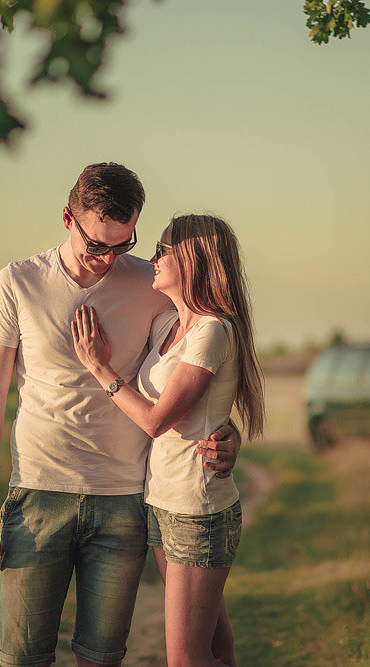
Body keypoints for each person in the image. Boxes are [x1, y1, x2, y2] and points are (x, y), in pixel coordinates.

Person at [0, 163, 239, 667]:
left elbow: (191, 365)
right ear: (68, 218)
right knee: (23, 659)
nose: (109, 258)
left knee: (101, 659)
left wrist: (226, 430)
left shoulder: (150, 283)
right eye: (98, 245)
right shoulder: (16, 283)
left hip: (124, 504)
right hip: (38, 496)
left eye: (125, 244)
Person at [71, 213, 264, 667]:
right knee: (215, 648)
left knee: (184, 658)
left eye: (163, 250)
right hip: (162, 503)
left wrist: (100, 368)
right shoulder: (166, 326)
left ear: (195, 260)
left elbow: (158, 421)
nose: (153, 258)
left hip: (197, 510)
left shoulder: (211, 331)